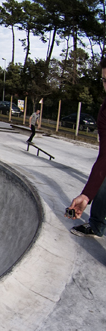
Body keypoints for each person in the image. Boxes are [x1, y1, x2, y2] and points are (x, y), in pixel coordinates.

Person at [66, 59, 106, 238]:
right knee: (102, 182)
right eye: (105, 80)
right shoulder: (105, 111)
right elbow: (105, 156)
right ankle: (97, 225)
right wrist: (87, 195)